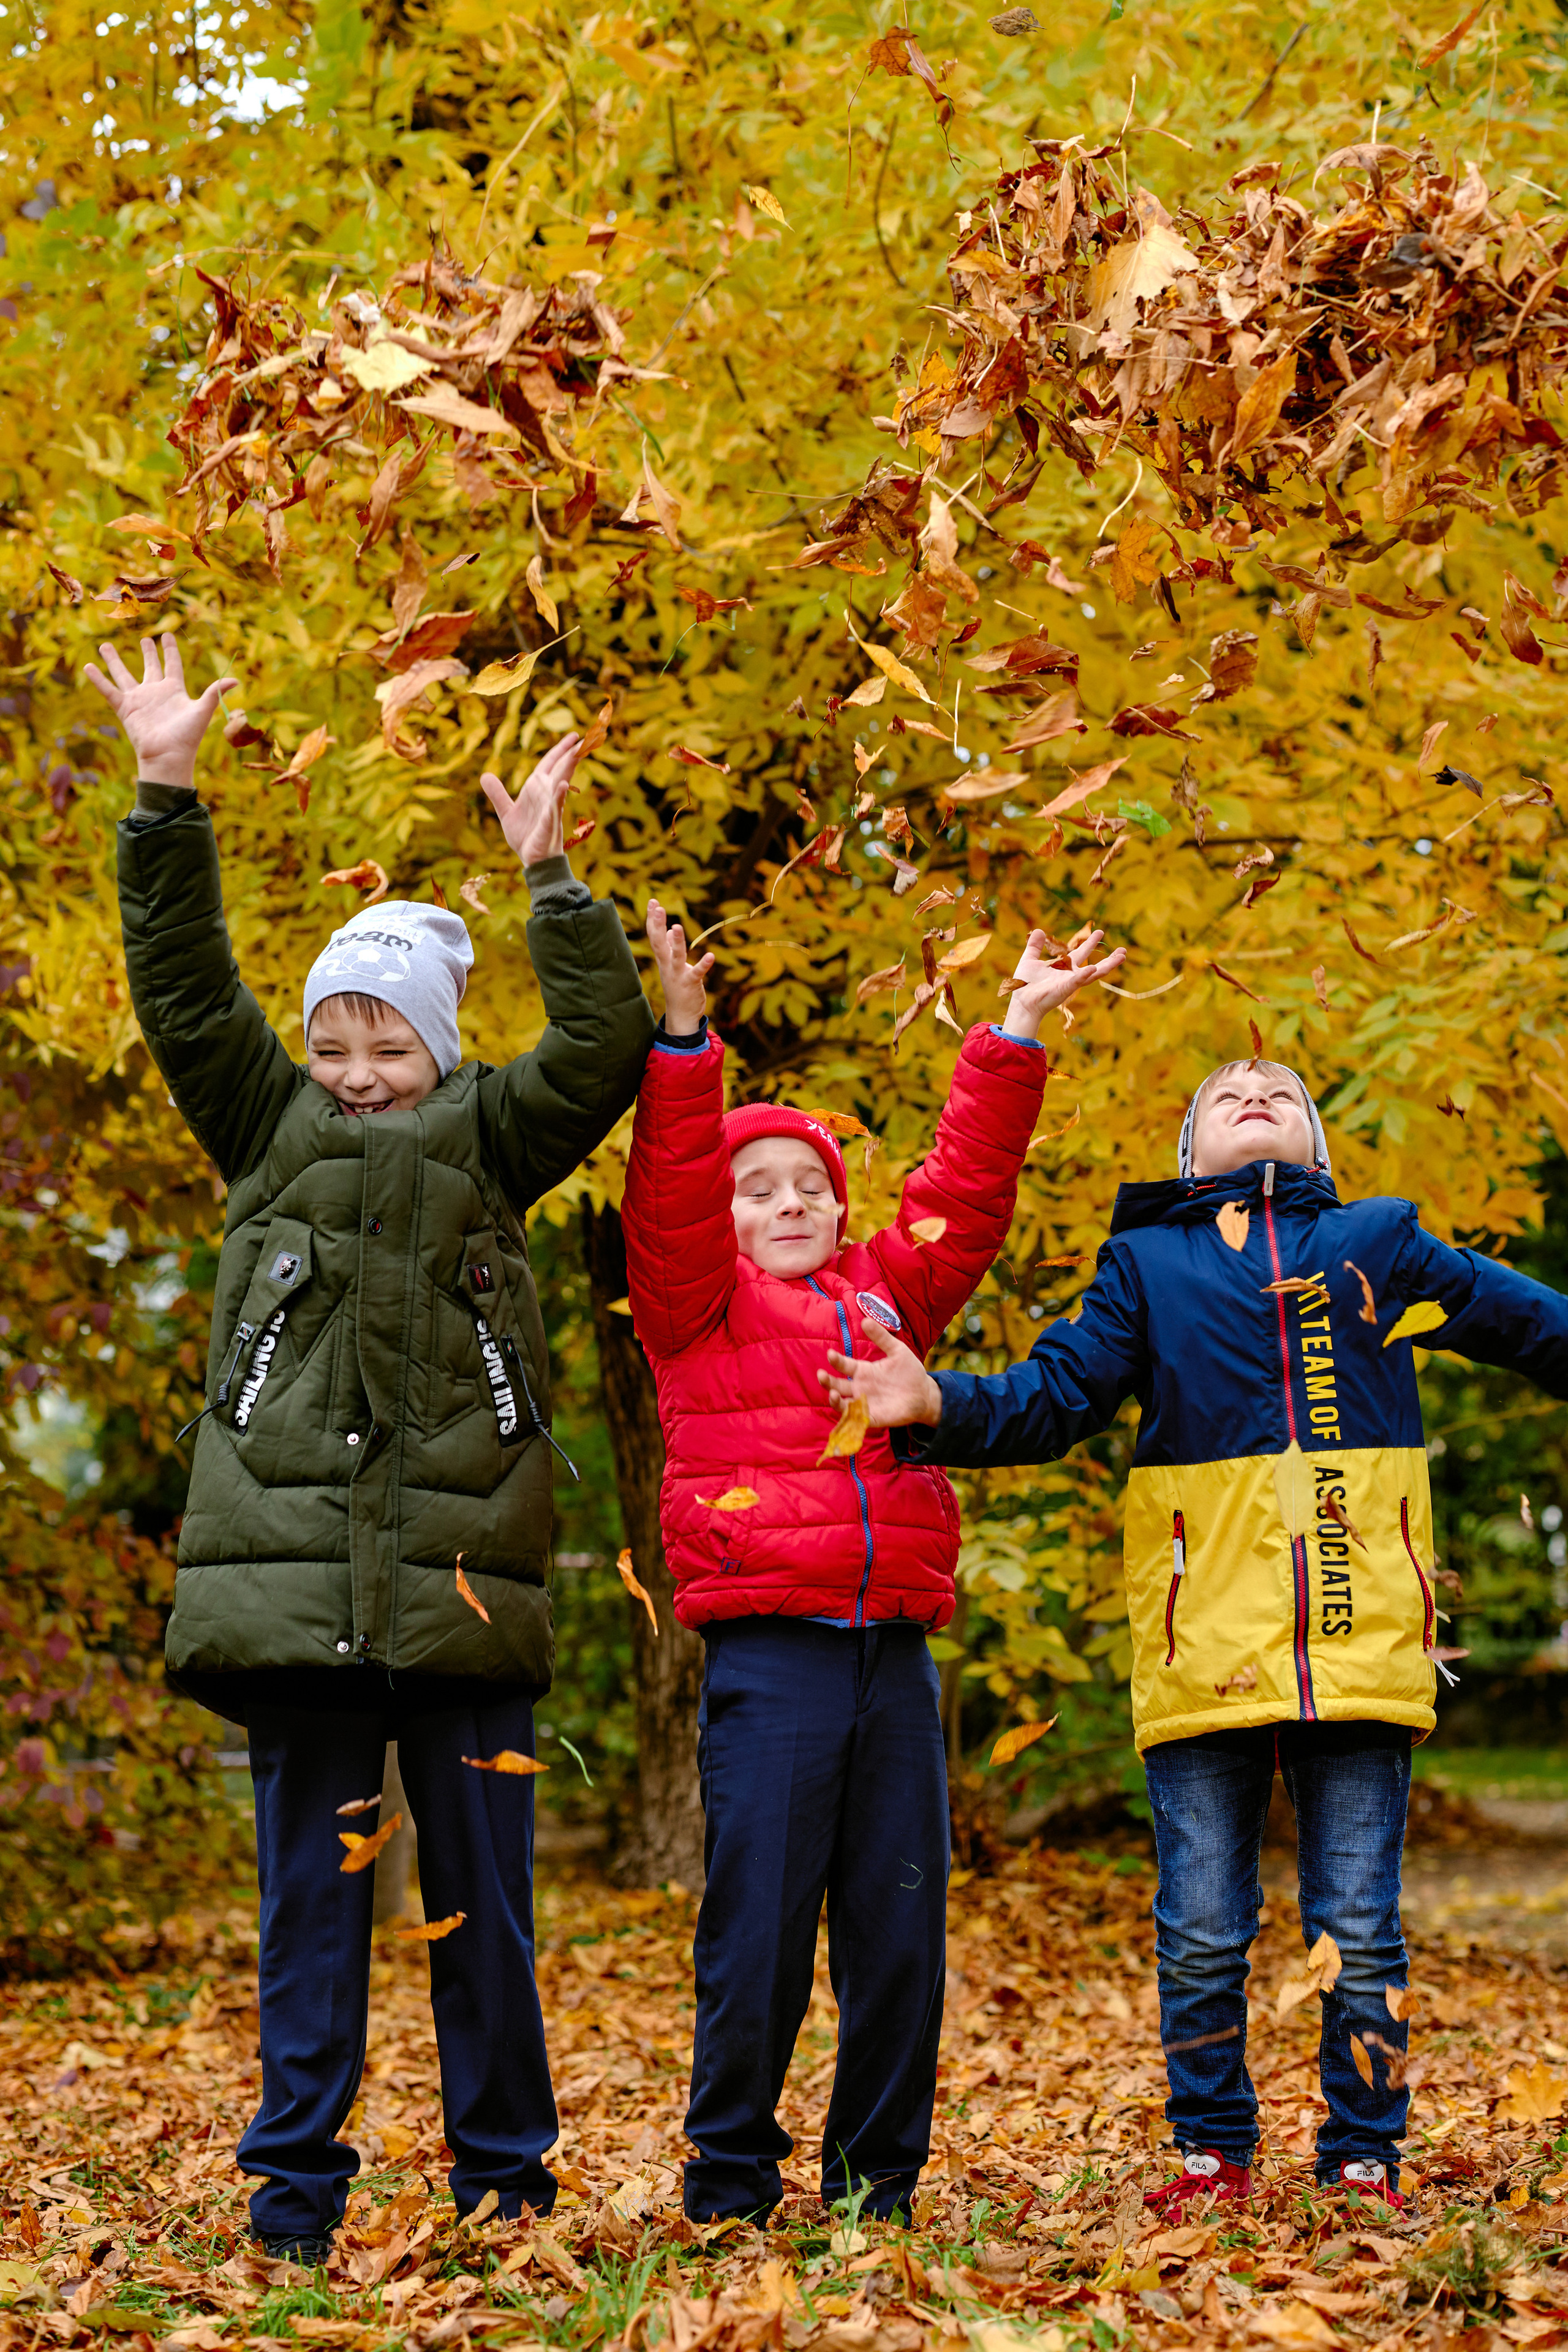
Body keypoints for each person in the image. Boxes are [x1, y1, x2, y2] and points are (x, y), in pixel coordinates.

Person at [90, 633, 654, 2260]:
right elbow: (188, 987)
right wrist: (165, 790)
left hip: (467, 1603)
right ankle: (292, 2199)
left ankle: (504, 2187)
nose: (352, 1071)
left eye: (384, 1044)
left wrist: (550, 877)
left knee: (490, 1916)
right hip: (299, 1608)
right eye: (334, 1041)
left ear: (440, 1051)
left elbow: (605, 1050)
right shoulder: (264, 1127)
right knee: (310, 1921)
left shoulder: (492, 1139)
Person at [820, 1055, 1568, 2215]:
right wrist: (938, 1405)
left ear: (1317, 1151)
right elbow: (1053, 1395)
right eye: (1224, 1093)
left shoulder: (1382, 1243)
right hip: (1201, 1644)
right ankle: (1211, 2149)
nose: (1253, 1093)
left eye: (1280, 1092)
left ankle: (1364, 2153)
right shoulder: (1147, 1266)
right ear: (1188, 1157)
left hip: (1358, 1634)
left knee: (1360, 1929)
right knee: (1206, 1924)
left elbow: (1529, 1323)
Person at [622, 900, 1125, 2223]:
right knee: (759, 1934)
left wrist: (1012, 1029)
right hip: (772, 1654)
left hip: (892, 1655)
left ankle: (875, 2186)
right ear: (723, 1219)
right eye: (758, 1189)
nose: (788, 1203)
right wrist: (683, 1042)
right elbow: (668, 1190)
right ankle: (728, 2175)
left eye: (810, 1187)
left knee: (898, 1934)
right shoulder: (694, 1307)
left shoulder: (884, 1295)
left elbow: (960, 1200)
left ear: (839, 1207)